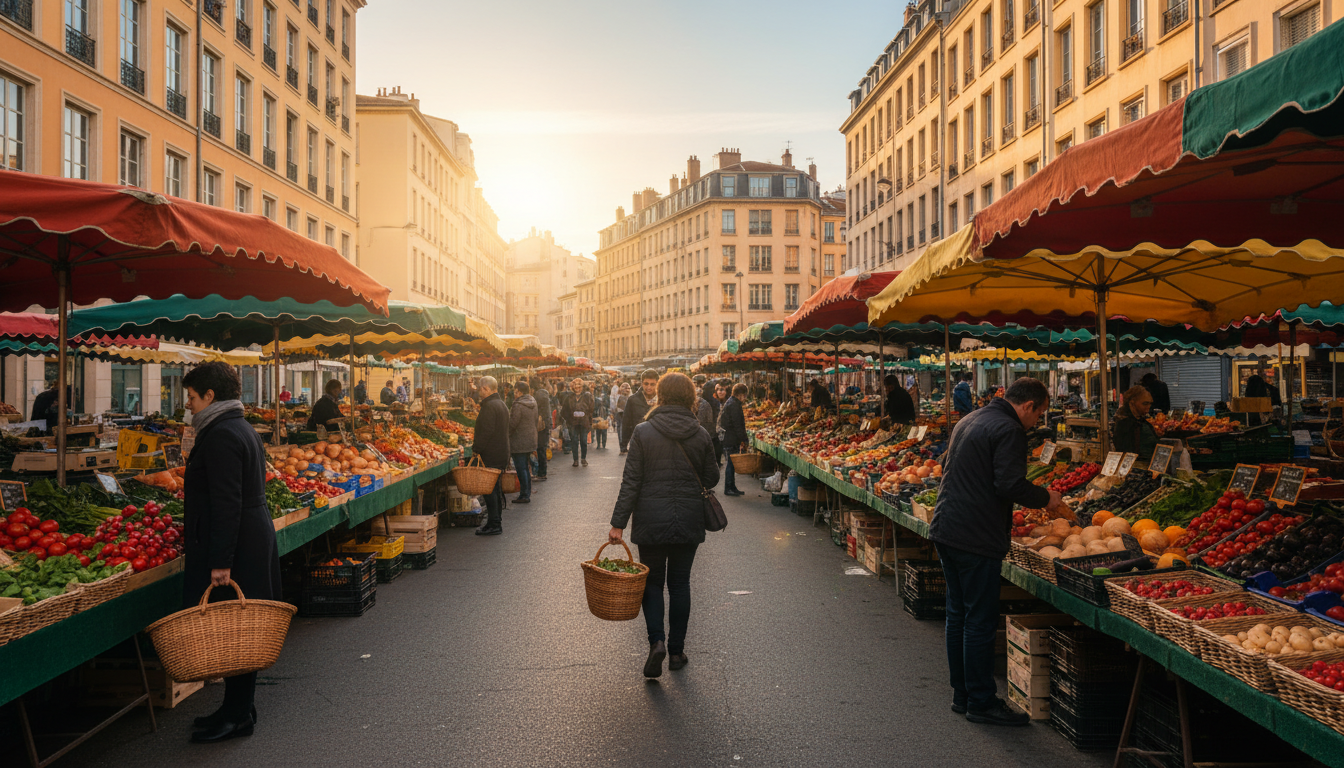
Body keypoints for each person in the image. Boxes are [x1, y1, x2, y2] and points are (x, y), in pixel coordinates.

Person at [931, 377, 1066, 727]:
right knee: (978, 619)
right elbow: (1008, 484)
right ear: (1028, 406)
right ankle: (981, 701)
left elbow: (949, 469)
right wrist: (1045, 498)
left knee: (958, 614)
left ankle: (962, 695)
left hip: (947, 527)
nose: (1037, 422)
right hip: (975, 535)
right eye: (1039, 415)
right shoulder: (1009, 430)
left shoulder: (970, 419)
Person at [179, 361, 280, 743]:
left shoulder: (221, 434)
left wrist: (220, 560)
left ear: (210, 396)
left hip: (236, 542)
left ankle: (238, 715)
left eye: (190, 397)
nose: (187, 404)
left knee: (235, 629)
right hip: (249, 534)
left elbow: (226, 502)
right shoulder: (240, 426)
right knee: (239, 627)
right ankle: (237, 707)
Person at [608, 372, 719, 678]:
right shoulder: (700, 434)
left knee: (653, 582)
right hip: (688, 518)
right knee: (680, 584)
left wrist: (618, 523)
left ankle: (656, 642)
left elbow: (630, 482)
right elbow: (711, 478)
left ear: (660, 395)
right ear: (689, 397)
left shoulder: (643, 432)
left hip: (650, 519)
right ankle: (676, 651)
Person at [471, 376, 510, 536]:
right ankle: (495, 521)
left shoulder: (489, 407)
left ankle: (494, 524)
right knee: (495, 489)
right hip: (501, 452)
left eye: (480, 389)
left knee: (490, 490)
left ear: (485, 389)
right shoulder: (501, 404)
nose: (479, 392)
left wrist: (476, 448)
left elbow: (486, 432)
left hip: (492, 453)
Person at [508, 380, 537, 504]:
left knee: (521, 468)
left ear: (518, 392)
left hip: (519, 440)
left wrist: (506, 434)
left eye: (515, 391)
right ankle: (527, 492)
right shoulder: (533, 402)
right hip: (530, 438)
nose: (514, 394)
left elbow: (513, 423)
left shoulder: (518, 404)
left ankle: (524, 494)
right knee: (525, 467)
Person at [718, 383, 748, 497]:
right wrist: (744, 439)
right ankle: (728, 488)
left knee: (731, 463)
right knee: (730, 464)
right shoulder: (734, 405)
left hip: (729, 437)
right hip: (730, 438)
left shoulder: (732, 402)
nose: (745, 398)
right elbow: (737, 425)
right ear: (740, 394)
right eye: (744, 396)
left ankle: (732, 486)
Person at [1113, 385, 1159, 457]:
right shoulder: (1124, 424)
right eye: (1145, 403)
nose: (1148, 407)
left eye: (1150, 403)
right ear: (1132, 403)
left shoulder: (1143, 422)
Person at [620, 369, 659, 454]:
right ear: (642, 383)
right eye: (646, 384)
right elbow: (626, 423)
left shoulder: (662, 400)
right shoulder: (632, 400)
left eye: (652, 384)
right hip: (638, 443)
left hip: (658, 443)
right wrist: (623, 445)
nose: (649, 387)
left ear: (657, 384)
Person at [560, 378, 595, 467]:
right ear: (573, 387)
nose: (577, 388)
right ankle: (575, 460)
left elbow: (592, 409)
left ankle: (583, 458)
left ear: (582, 387)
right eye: (575, 386)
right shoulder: (569, 397)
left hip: (584, 422)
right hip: (573, 423)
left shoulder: (587, 396)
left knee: (583, 440)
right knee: (574, 441)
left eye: (579, 386)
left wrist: (587, 417)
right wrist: (569, 419)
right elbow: (564, 411)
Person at [532, 378, 551, 482]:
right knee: (541, 448)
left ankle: (542, 473)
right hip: (546, 424)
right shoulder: (544, 394)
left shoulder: (538, 396)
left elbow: (537, 409)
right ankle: (542, 472)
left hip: (542, 425)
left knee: (540, 449)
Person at [701, 379, 723, 465]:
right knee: (716, 446)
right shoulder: (715, 402)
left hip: (703, 429)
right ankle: (717, 462)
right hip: (713, 429)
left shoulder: (701, 401)